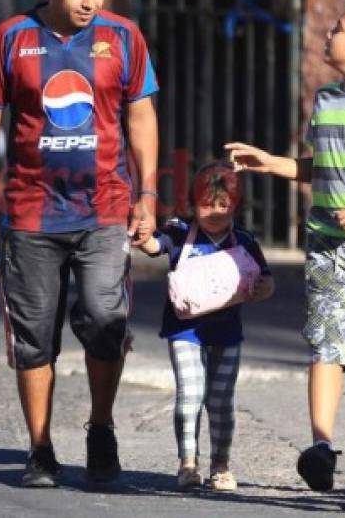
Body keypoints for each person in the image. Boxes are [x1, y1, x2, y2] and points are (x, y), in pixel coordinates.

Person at [0, 0, 160, 488]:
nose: (90, 1)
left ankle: (101, 427)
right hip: (29, 214)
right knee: (34, 336)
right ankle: (40, 448)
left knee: (104, 318)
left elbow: (140, 116)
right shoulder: (11, 39)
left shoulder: (123, 38)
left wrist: (147, 193)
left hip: (104, 209)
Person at [227, 0, 345, 494]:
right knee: (325, 343)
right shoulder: (326, 99)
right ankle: (322, 448)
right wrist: (273, 162)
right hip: (326, 246)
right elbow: (317, 168)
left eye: (336, 28)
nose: (326, 34)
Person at [136, 161, 274, 492]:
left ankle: (221, 466)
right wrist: (143, 235)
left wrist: (260, 290)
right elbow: (154, 247)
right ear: (192, 204)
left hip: (227, 333)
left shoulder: (243, 240)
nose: (215, 212)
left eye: (223, 206)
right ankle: (188, 463)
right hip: (184, 330)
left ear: (234, 206)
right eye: (206, 205)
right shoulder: (178, 233)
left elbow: (268, 280)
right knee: (191, 395)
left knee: (222, 400)